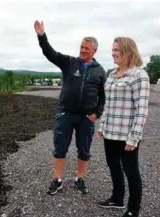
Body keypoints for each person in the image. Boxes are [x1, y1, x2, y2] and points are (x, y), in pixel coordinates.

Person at [34, 20, 106, 195]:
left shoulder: (100, 71)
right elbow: (50, 53)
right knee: (60, 147)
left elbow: (103, 96)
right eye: (81, 47)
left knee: (84, 149)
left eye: (86, 49)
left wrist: (97, 114)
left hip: (86, 117)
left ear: (94, 51)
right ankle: (57, 179)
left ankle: (79, 178)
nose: (82, 51)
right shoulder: (69, 62)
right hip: (65, 113)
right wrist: (42, 36)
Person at [96, 37, 150, 217]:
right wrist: (102, 126)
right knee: (113, 166)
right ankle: (117, 199)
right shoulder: (112, 74)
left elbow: (141, 109)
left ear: (129, 52)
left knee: (131, 171)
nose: (113, 53)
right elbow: (108, 103)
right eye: (112, 50)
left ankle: (133, 210)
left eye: (116, 50)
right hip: (110, 132)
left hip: (127, 136)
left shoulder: (139, 75)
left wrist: (134, 136)